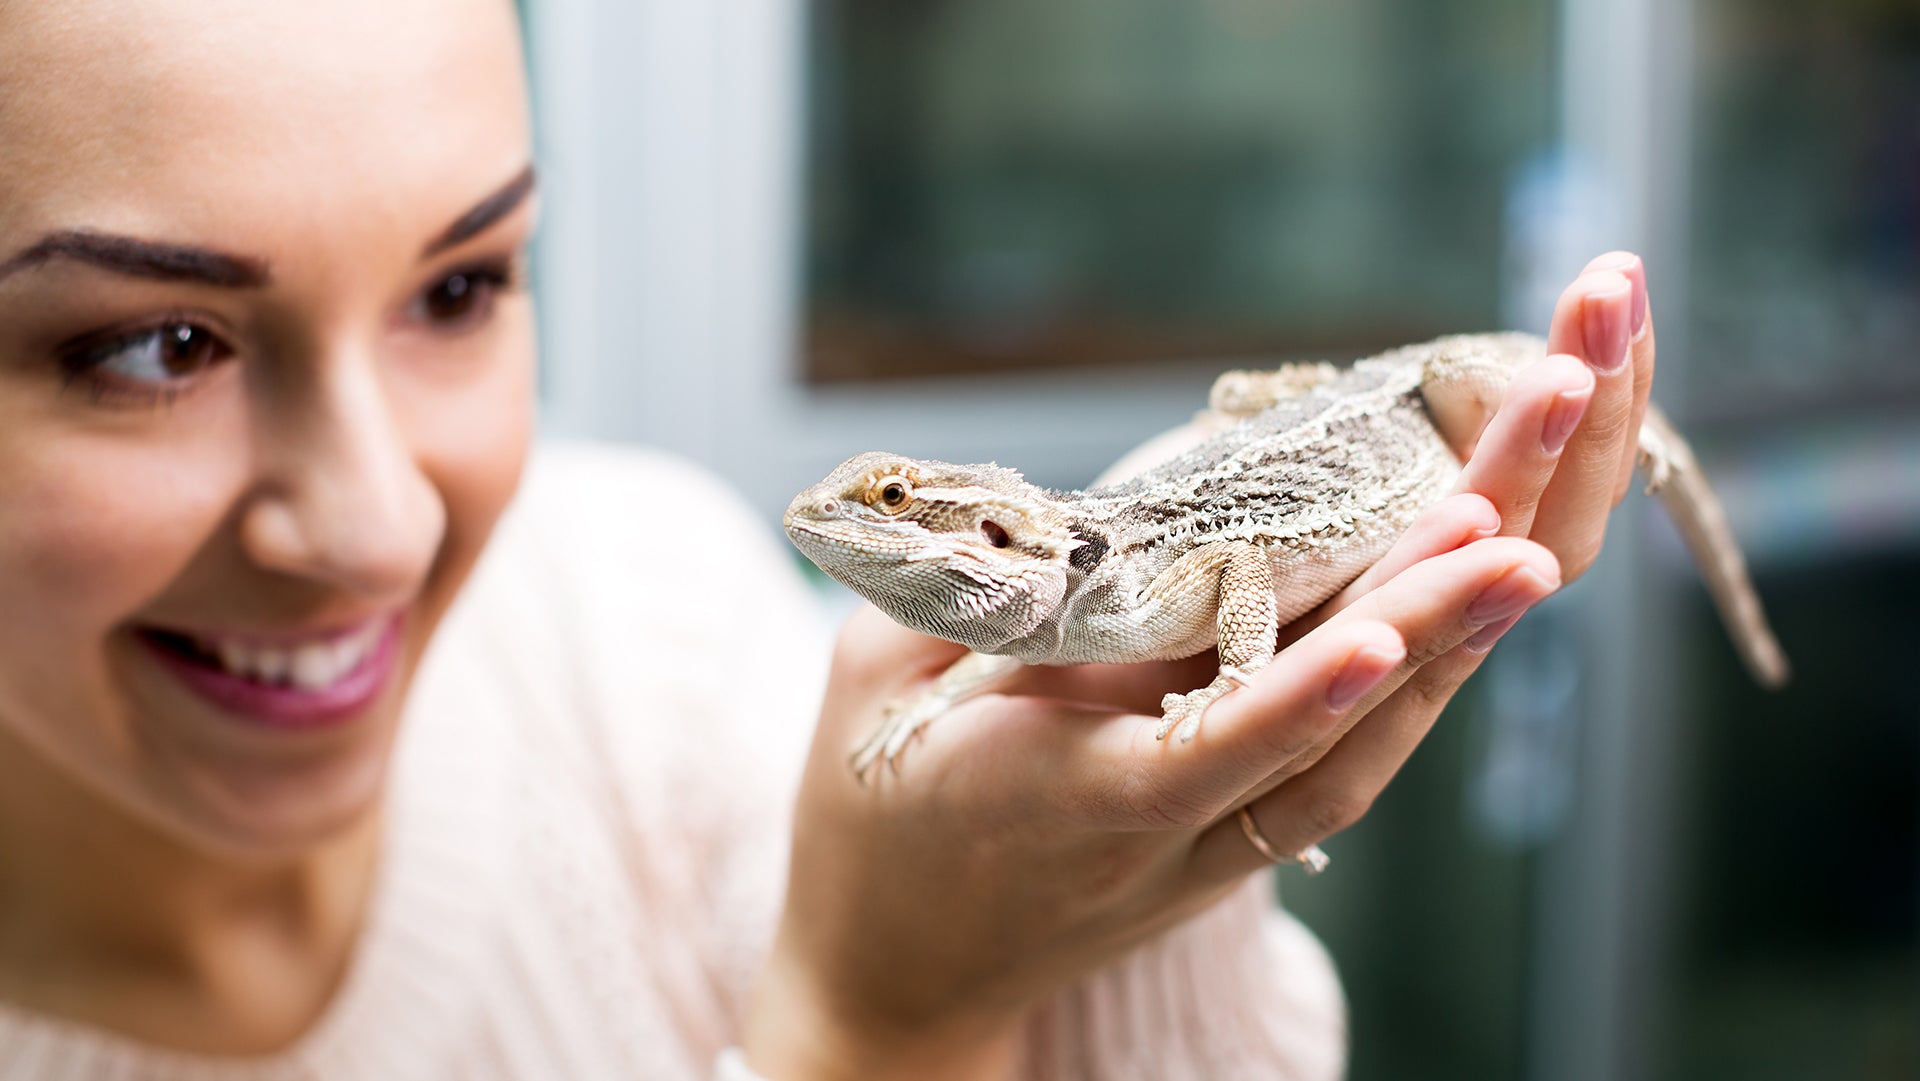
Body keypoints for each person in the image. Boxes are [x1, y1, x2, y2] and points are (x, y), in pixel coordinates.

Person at [0, 2, 1659, 1078]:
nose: (375, 530)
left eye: (463, 284)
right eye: (153, 344)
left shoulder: (648, 603)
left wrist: (1130, 872)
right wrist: (886, 1017)